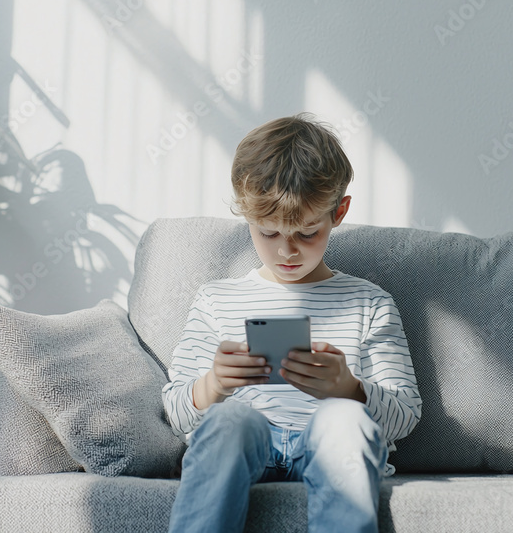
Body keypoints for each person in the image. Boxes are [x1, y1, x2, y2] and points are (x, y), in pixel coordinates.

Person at [162, 113, 421, 533]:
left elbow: (405, 415)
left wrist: (350, 390)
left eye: (305, 233)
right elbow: (176, 412)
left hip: (328, 444)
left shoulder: (370, 303)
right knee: (228, 420)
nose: (286, 252)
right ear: (247, 220)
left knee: (344, 420)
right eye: (268, 234)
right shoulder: (216, 300)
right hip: (246, 440)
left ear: (338, 213)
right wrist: (214, 384)